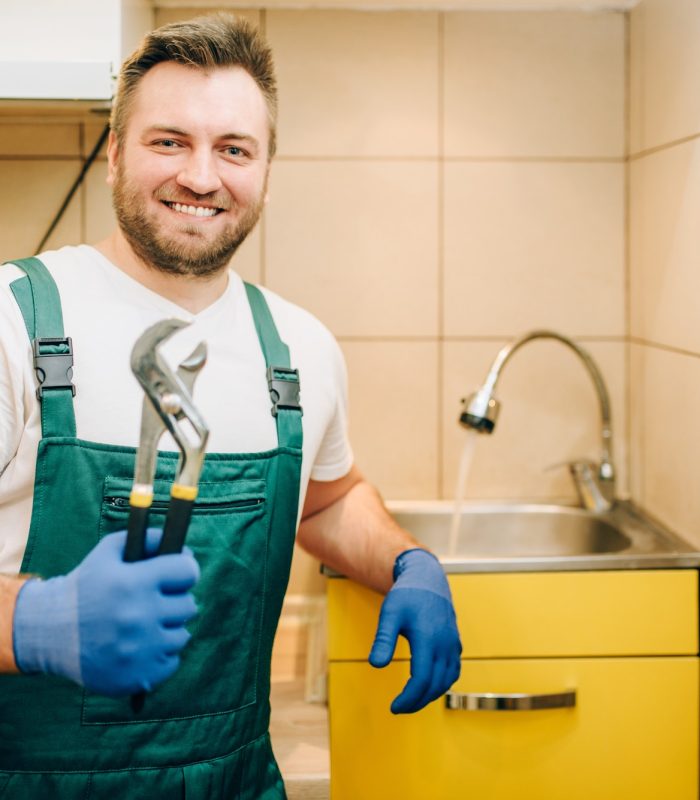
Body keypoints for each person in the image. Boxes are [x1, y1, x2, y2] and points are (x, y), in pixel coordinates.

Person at [0, 13, 461, 798]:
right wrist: (33, 622)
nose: (202, 178)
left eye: (234, 150)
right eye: (169, 141)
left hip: (236, 777)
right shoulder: (16, 321)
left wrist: (409, 563)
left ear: (266, 172)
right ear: (115, 155)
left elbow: (328, 499)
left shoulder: (299, 348)